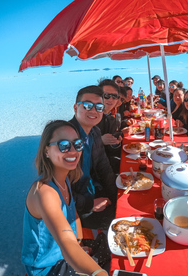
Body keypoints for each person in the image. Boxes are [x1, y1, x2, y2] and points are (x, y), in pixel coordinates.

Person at [21, 120, 109, 276]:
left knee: (111, 246)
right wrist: (98, 273)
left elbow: (74, 216)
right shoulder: (44, 192)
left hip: (66, 253)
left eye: (77, 144)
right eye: (64, 145)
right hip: (48, 267)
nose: (73, 151)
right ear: (46, 151)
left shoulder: (64, 180)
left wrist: (80, 243)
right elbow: (66, 241)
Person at [69, 85, 117, 229]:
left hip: (92, 191)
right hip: (73, 209)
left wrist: (116, 197)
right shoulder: (66, 139)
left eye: (99, 107)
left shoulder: (94, 132)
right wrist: (90, 205)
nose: (94, 111)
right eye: (88, 105)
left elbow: (104, 168)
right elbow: (58, 190)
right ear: (76, 108)